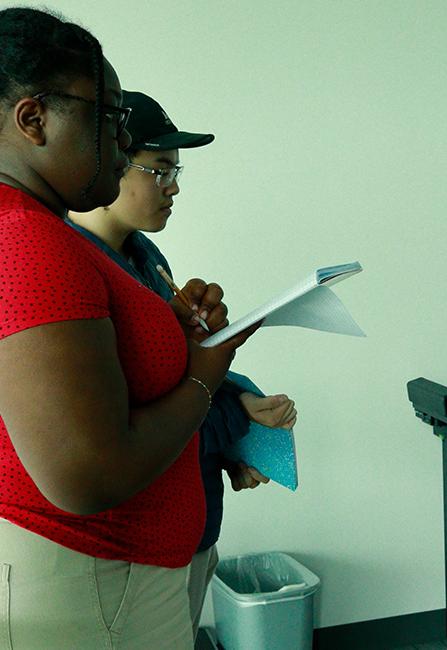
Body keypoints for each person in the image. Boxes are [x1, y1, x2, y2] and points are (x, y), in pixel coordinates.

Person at [0, 7, 255, 648]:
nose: (121, 140)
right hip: (94, 588)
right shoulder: (28, 241)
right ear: (34, 119)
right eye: (109, 116)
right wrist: (205, 376)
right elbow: (88, 475)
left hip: (106, 581)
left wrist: (174, 333)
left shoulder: (45, 232)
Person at [68, 90, 298, 638]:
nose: (173, 188)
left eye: (177, 171)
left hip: (188, 522)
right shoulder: (77, 273)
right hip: (130, 544)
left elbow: (180, 377)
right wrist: (234, 424)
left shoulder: (146, 258)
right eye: (159, 170)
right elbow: (137, 415)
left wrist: (236, 410)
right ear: (112, 160)